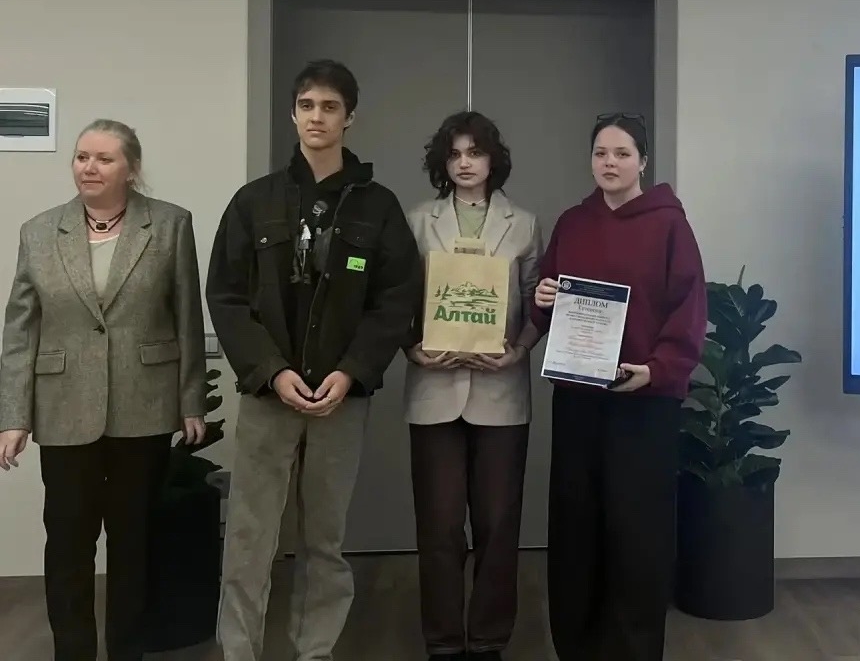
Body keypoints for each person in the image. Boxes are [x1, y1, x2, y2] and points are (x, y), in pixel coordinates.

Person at [207, 59, 421, 661]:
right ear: (293, 114)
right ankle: (239, 651)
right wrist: (271, 371)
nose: (317, 117)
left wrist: (350, 371)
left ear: (350, 117)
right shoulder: (254, 202)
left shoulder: (378, 207)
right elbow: (226, 296)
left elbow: (395, 300)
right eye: (307, 106)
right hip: (268, 396)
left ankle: (315, 650)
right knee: (249, 538)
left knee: (325, 539)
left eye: (330, 107)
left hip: (339, 400)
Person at [0, 119, 206, 661]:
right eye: (81, 157)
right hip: (63, 407)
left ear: (131, 169)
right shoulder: (39, 231)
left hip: (145, 403)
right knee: (67, 543)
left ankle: (127, 651)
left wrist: (190, 400)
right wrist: (13, 415)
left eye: (103, 159)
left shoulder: (170, 224)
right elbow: (19, 330)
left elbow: (187, 316)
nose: (88, 167)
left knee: (134, 543)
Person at [532, 113, 706, 661]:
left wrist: (657, 369)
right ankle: (576, 645)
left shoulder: (669, 226)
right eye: (601, 153)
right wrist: (542, 297)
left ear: (643, 162)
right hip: (579, 400)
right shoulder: (573, 223)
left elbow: (689, 309)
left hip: (644, 403)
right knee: (575, 525)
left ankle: (632, 649)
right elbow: (546, 298)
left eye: (622, 153)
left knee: (638, 534)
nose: (610, 163)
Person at [403, 110, 542, 661]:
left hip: (502, 392)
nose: (465, 163)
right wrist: (411, 347)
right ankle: (442, 642)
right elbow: (397, 300)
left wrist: (520, 351)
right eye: (455, 153)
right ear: (443, 162)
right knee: (438, 528)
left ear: (492, 160)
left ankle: (487, 640)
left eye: (475, 152)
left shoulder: (524, 223)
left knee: (498, 525)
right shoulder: (417, 221)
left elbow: (537, 303)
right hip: (433, 389)